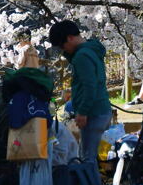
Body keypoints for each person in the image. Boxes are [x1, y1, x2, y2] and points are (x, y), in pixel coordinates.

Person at [48, 20, 113, 167]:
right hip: (101, 110)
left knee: (87, 159)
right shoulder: (90, 49)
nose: (62, 49)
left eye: (62, 45)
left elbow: (90, 86)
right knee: (89, 157)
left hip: (93, 112)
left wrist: (82, 112)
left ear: (70, 37)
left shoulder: (82, 56)